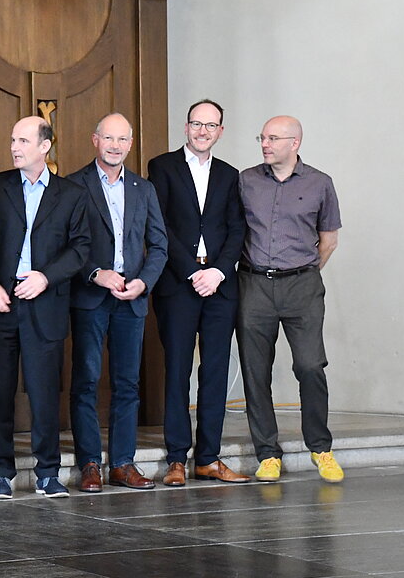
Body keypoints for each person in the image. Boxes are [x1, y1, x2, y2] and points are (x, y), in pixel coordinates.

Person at [0, 115, 90, 499]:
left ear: (45, 146)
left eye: (23, 141)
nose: (14, 148)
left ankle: (48, 472)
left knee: (44, 393)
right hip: (1, 305)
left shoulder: (71, 194)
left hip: (45, 306)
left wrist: (46, 277)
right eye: (12, 140)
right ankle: (0, 473)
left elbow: (80, 249)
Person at [147, 100, 251, 486]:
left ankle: (208, 458)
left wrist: (219, 272)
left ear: (220, 131)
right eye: (196, 123)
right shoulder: (162, 167)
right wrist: (192, 272)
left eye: (211, 125)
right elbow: (159, 226)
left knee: (215, 372)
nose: (203, 131)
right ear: (186, 127)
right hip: (179, 283)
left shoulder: (230, 174)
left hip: (220, 286)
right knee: (177, 370)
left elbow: (237, 229)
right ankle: (177, 458)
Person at [238, 115, 343, 483]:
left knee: (310, 366)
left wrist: (302, 272)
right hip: (254, 284)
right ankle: (268, 454)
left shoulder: (320, 183)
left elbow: (328, 240)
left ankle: (320, 448)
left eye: (273, 138)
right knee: (255, 371)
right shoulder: (246, 181)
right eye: (262, 138)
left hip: (302, 286)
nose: (265, 145)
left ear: (294, 143)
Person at [68, 113, 167, 492]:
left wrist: (143, 282)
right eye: (108, 138)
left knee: (128, 384)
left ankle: (123, 463)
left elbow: (159, 245)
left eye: (122, 139)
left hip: (132, 299)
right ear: (95, 140)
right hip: (91, 297)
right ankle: (90, 464)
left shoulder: (144, 188)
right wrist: (95, 273)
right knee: (86, 381)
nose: (115, 146)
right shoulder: (74, 185)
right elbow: (65, 244)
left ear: (130, 144)